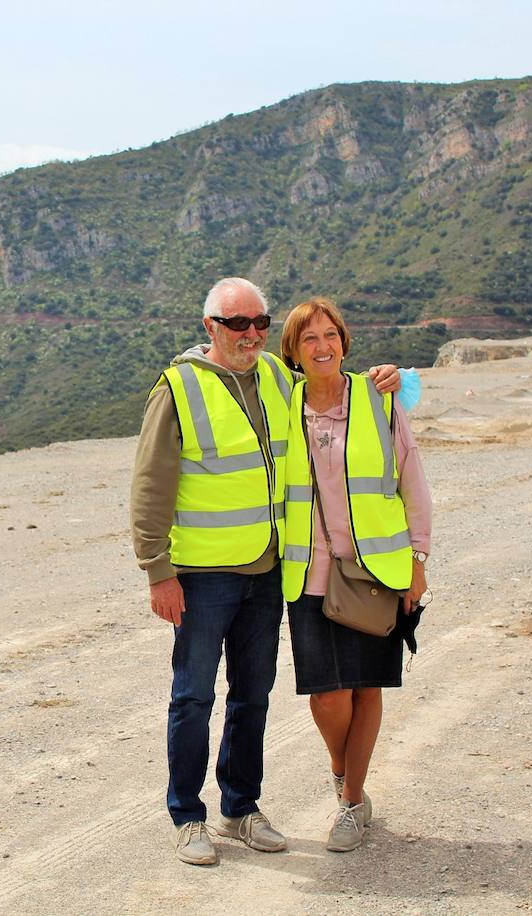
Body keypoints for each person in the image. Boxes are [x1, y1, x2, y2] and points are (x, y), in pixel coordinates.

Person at [130, 278, 403, 866]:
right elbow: (151, 487)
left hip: (267, 569)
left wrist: (394, 379)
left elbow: (337, 393)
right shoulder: (178, 388)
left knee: (253, 694)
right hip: (202, 574)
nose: (251, 333)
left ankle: (239, 807)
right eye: (237, 324)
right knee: (193, 696)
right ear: (211, 328)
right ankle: (187, 815)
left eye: (260, 322)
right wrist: (157, 571)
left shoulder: (278, 378)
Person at [277, 296, 432, 853]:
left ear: (344, 341)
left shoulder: (378, 399)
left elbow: (413, 482)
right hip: (309, 575)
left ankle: (351, 802)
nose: (323, 346)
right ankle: (344, 771)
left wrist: (418, 561)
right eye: (309, 338)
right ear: (292, 352)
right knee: (326, 694)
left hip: (376, 573)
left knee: (367, 688)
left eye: (331, 335)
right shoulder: (282, 406)